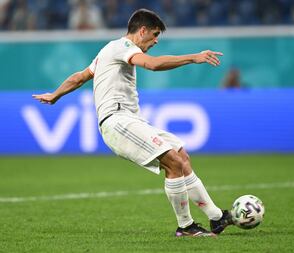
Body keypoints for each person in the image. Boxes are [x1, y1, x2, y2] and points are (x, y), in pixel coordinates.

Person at [33, 8, 233, 237]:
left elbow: (79, 77)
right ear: (142, 30)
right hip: (116, 121)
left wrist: (55, 94)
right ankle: (186, 226)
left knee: (181, 155)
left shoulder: (108, 50)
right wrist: (192, 57)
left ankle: (217, 218)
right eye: (155, 34)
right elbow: (153, 64)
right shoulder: (124, 47)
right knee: (173, 162)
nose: (156, 40)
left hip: (129, 119)